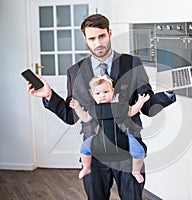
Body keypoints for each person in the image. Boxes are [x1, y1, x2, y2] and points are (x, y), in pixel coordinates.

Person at [27, 13, 176, 200]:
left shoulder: (132, 64)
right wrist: (49, 95)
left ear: (110, 33)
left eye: (102, 36)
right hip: (95, 154)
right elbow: (71, 116)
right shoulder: (75, 72)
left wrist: (169, 92)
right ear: (85, 40)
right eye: (92, 38)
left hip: (128, 152)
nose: (98, 43)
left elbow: (147, 106)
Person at [70, 74, 150, 183]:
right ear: (93, 95)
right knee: (84, 149)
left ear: (112, 91)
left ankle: (136, 171)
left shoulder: (120, 106)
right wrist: (77, 107)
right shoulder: (94, 109)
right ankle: (86, 167)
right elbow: (85, 118)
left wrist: (140, 101)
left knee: (139, 152)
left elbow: (131, 112)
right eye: (98, 93)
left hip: (122, 136)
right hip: (100, 138)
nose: (102, 95)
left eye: (106, 92)